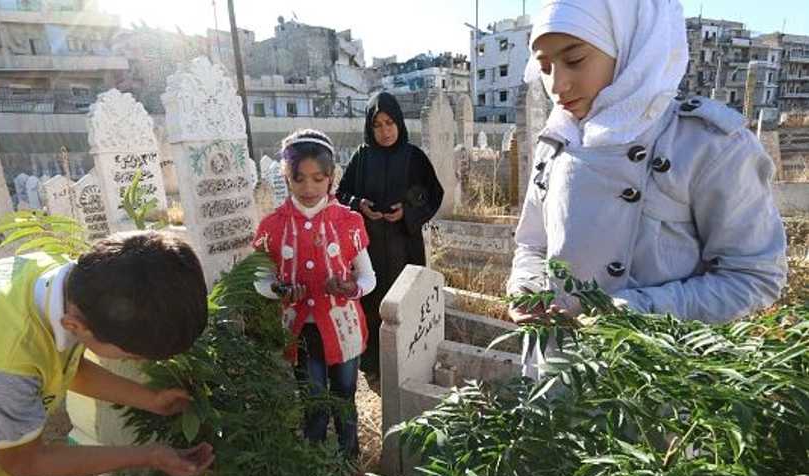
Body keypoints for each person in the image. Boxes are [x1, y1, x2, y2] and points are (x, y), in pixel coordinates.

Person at [508, 0, 787, 326]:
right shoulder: (558, 141)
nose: (557, 86)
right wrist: (527, 290)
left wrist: (628, 314)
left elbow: (752, 277)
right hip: (556, 360)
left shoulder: (707, 145)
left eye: (574, 60)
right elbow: (533, 243)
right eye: (545, 68)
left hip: (655, 369)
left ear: (630, 46)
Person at [0, 231, 215, 476]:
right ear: (75, 325)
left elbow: (62, 367)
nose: (139, 362)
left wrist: (148, 399)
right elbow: (25, 462)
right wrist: (150, 456)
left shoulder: (72, 279)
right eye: (132, 356)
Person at [253, 129, 376, 459]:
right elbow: (261, 277)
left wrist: (353, 287)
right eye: (299, 179)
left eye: (318, 179)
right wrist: (277, 289)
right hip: (301, 329)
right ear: (286, 177)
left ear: (331, 177)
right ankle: (314, 468)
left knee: (345, 396)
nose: (309, 188)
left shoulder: (348, 222)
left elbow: (368, 276)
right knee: (313, 399)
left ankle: (349, 465)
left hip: (343, 326)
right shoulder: (272, 226)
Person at [336, 92, 444, 379]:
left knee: (404, 301)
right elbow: (341, 193)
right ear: (370, 128)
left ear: (399, 123)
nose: (385, 131)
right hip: (368, 250)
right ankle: (373, 365)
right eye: (378, 125)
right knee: (371, 302)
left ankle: (408, 361)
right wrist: (359, 204)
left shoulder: (414, 157)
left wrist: (407, 212)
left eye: (390, 123)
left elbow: (433, 195)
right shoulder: (361, 157)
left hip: (403, 246)